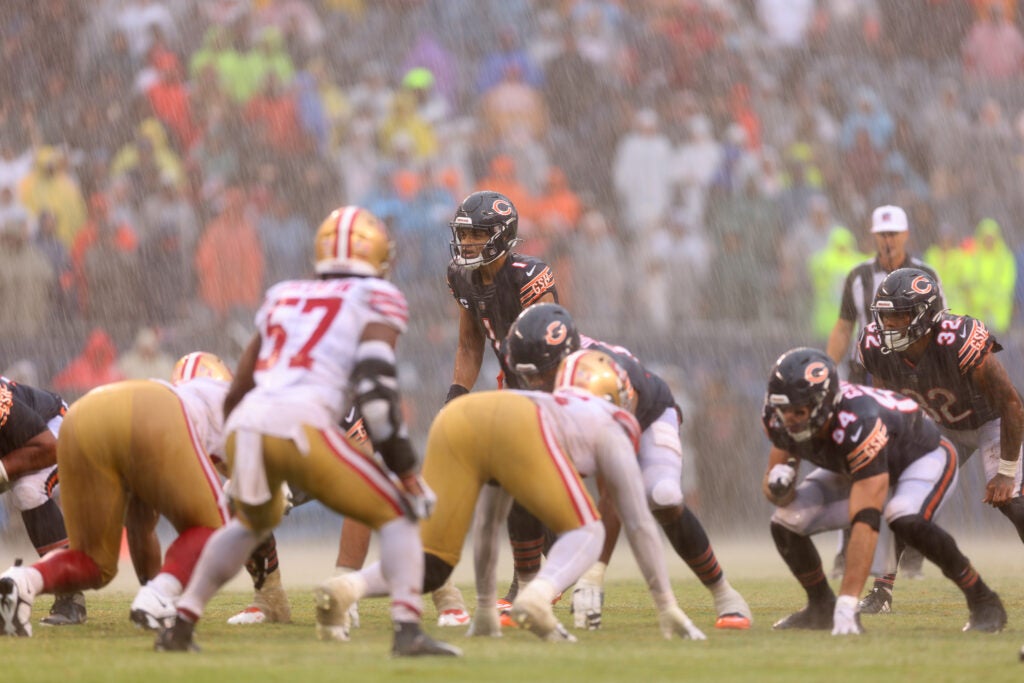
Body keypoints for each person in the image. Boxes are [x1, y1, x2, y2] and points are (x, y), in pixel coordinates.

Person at [155, 206, 459, 657]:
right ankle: (406, 631)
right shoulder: (378, 297)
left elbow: (240, 382)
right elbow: (376, 389)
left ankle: (180, 628)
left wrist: (237, 454)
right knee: (397, 511)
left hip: (247, 422)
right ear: (375, 254)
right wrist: (405, 468)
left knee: (245, 526)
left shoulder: (284, 294)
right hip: (303, 422)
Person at [315, 349, 706, 643]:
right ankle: (537, 596)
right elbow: (637, 521)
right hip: (518, 423)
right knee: (591, 531)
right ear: (617, 394)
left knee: (435, 562)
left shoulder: (548, 397)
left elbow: (488, 522)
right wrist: (667, 604)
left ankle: (348, 588)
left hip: (464, 414)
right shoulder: (612, 420)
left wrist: (485, 607)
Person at [503, 303, 752, 630]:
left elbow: (613, 489)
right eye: (527, 375)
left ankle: (725, 595)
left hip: (649, 415)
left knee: (662, 496)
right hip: (581, 414)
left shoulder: (596, 381)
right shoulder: (542, 371)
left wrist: (594, 576)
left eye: (540, 374)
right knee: (524, 480)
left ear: (563, 362)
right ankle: (527, 589)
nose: (533, 383)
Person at [761, 347, 1006, 634]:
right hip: (855, 465)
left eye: (799, 411)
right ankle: (821, 608)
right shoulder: (777, 417)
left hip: (922, 457)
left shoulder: (858, 420)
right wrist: (780, 485)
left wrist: (848, 605)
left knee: (903, 517)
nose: (791, 419)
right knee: (785, 521)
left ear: (824, 403)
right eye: (784, 410)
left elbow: (866, 520)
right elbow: (778, 494)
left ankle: (982, 598)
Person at [0, 355, 233, 637]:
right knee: (199, 527)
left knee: (92, 555)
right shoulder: (228, 402)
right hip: (135, 411)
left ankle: (43, 588)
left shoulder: (229, 403)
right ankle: (157, 594)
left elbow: (47, 447)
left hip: (68, 423)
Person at [854, 268, 1024, 614]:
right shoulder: (876, 346)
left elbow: (1010, 403)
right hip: (940, 424)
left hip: (990, 421)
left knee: (1014, 503)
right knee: (898, 498)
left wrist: (1005, 473)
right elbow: (888, 405)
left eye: (899, 314)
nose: (889, 323)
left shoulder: (957, 338)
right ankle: (882, 592)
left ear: (925, 315)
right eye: (885, 314)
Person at [443, 189, 559, 611]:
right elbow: (470, 344)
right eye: (464, 234)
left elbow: (550, 349)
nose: (468, 243)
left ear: (501, 234)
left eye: (477, 234)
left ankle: (555, 570)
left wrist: (534, 400)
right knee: (515, 488)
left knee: (523, 486)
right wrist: (456, 395)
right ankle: (562, 569)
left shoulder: (529, 275)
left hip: (551, 385)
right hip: (511, 385)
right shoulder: (462, 276)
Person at [825, 204, 940, 576]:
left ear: (906, 235)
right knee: (856, 460)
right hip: (864, 377)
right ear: (873, 236)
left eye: (893, 234)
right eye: (882, 234)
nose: (888, 241)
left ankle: (911, 550)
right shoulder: (858, 276)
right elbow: (845, 326)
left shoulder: (924, 274)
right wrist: (829, 370)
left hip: (911, 378)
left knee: (909, 463)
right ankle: (847, 549)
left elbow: (940, 327)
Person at [0, 376, 86, 627]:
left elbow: (49, 448)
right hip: (14, 445)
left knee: (27, 490)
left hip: (52, 431)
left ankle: (70, 595)